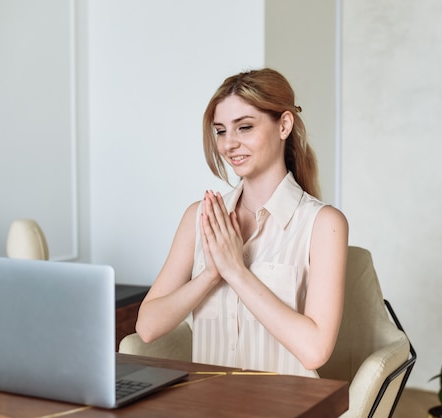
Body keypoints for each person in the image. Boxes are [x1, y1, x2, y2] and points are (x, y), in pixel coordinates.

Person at [135, 68, 348, 378]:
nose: (228, 144)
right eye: (221, 131)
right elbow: (148, 327)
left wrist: (235, 271)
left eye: (244, 127)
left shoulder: (323, 223)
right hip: (208, 404)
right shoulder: (200, 217)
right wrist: (210, 275)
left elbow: (315, 351)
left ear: (284, 125)